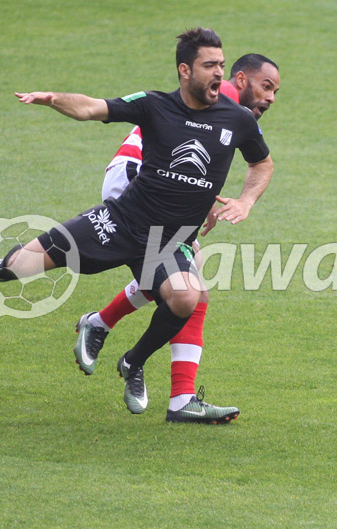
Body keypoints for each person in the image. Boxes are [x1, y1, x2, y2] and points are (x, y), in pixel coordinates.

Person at [0, 28, 273, 424]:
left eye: (221, 65)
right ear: (184, 70)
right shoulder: (155, 105)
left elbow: (262, 163)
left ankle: (132, 362)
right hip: (122, 221)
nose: (218, 73)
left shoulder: (238, 119)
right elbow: (92, 107)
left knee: (188, 297)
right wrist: (55, 99)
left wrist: (245, 200)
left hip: (165, 241)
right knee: (22, 266)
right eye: (210, 65)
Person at [74, 54, 280, 420]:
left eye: (276, 92)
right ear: (242, 79)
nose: (271, 98)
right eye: (266, 87)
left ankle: (176, 394)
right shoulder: (225, 97)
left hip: (144, 178)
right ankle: (123, 348)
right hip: (139, 183)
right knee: (180, 286)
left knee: (192, 288)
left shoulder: (221, 103)